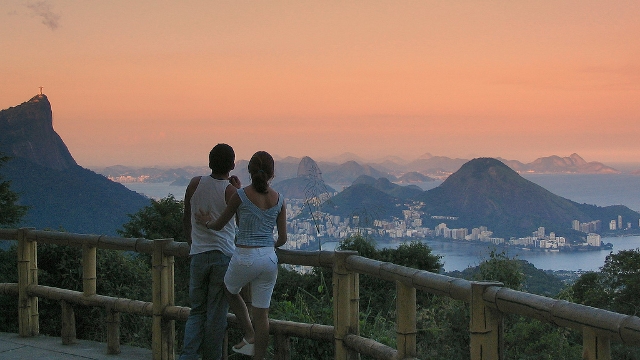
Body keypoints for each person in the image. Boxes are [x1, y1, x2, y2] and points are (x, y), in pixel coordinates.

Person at [196, 150, 287, 360]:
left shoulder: (240, 196)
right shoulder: (280, 200)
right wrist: (268, 246)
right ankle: (259, 357)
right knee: (262, 313)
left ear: (249, 171)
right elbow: (282, 238)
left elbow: (220, 225)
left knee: (229, 289)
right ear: (272, 174)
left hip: (244, 256)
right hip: (269, 259)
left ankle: (249, 333)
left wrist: (207, 221)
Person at [179, 143, 241, 360]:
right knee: (216, 316)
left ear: (209, 162)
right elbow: (242, 223)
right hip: (222, 257)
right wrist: (239, 189)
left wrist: (192, 244)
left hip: (198, 255)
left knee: (196, 311)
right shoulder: (232, 192)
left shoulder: (194, 184)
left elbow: (186, 217)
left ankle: (188, 356)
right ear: (232, 165)